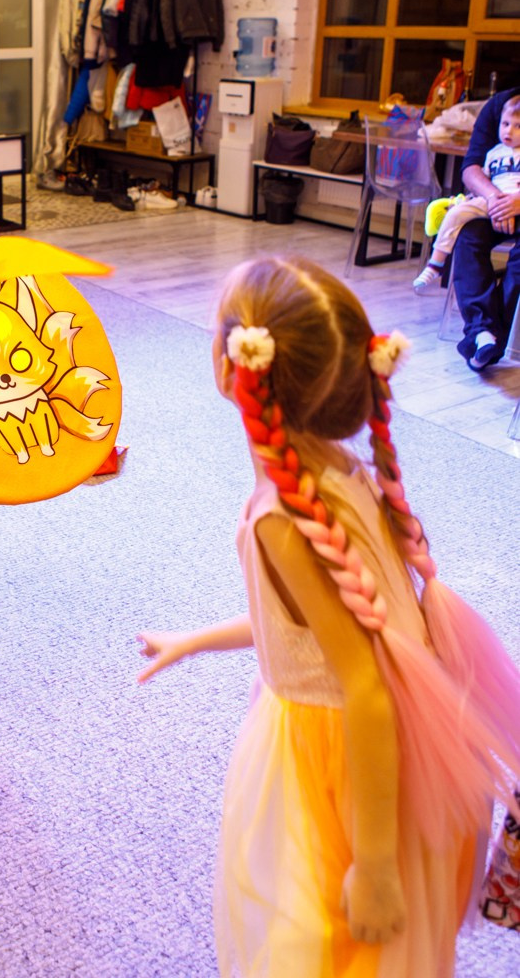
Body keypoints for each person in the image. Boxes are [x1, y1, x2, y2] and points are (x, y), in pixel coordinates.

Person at [137, 256, 520, 976]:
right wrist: (197, 640)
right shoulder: (348, 473)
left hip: (338, 756)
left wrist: (373, 867)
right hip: (400, 751)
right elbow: (333, 628)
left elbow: (364, 689)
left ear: (232, 370)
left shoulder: (277, 519)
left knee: (313, 938)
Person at [413, 92, 520, 293]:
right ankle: (436, 264)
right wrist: (494, 201)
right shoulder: (494, 149)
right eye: (505, 124)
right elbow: (474, 171)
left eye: (518, 126)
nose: (509, 131)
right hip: (493, 203)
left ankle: (505, 319)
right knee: (462, 225)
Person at [450, 86, 520, 369]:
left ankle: (491, 339)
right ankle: (482, 331)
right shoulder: (502, 104)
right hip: (496, 200)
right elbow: (471, 166)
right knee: (466, 236)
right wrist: (494, 199)